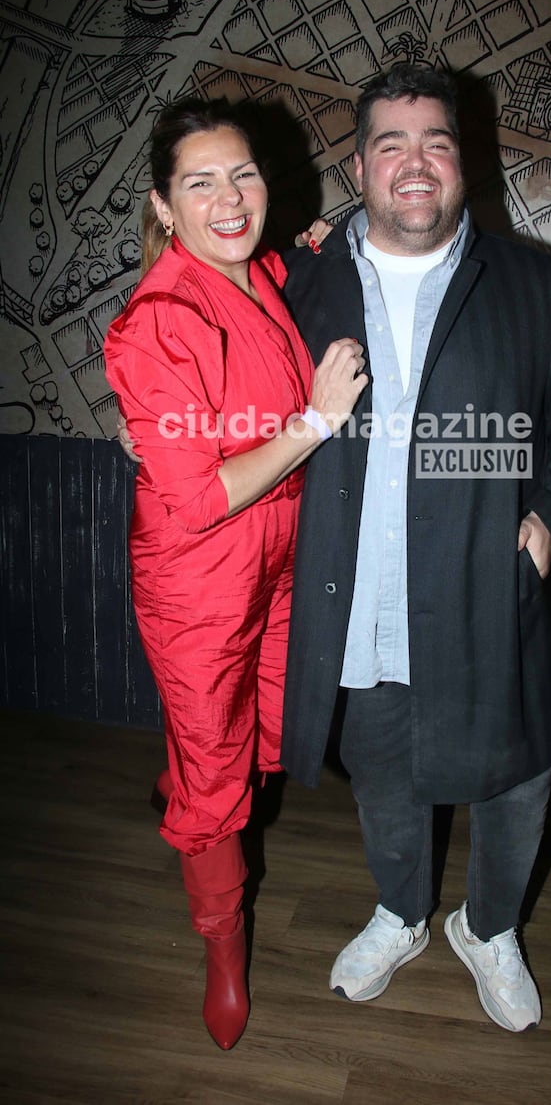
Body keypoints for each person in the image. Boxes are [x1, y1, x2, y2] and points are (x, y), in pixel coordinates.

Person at [278, 62, 551, 1031]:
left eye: (434, 142)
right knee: (382, 772)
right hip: (361, 601)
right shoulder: (303, 284)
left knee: (515, 777)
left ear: (461, 163)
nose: (414, 163)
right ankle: (400, 909)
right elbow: (239, 404)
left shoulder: (540, 289)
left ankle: (490, 925)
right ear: (359, 165)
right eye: (391, 144)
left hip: (487, 591)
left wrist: (549, 517)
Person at [103, 96, 367, 1050]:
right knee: (215, 768)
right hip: (200, 579)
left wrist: (323, 245)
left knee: (261, 730)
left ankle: (195, 796)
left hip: (283, 563)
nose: (228, 196)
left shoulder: (264, 274)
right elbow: (198, 497)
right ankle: (222, 944)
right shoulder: (154, 322)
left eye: (243, 173)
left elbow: (299, 276)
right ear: (163, 206)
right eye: (199, 182)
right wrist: (318, 421)